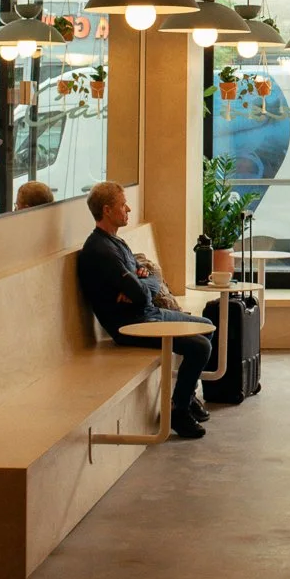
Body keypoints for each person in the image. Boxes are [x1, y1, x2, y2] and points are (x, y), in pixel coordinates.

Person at [76, 182, 214, 439]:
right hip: (132, 326)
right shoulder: (100, 251)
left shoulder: (115, 241)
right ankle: (178, 411)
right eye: (122, 205)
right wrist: (143, 285)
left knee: (206, 324)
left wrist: (143, 280)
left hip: (147, 314)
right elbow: (141, 295)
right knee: (200, 346)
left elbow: (148, 279)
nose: (128, 208)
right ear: (107, 210)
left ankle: (185, 396)